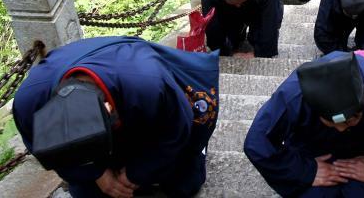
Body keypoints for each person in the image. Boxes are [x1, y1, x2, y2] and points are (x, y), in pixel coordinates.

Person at [13, 36, 219, 198]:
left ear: (109, 109)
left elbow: (176, 130)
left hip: (144, 114)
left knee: (186, 184)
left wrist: (134, 175)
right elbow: (50, 152)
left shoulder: (148, 84)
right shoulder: (29, 102)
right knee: (87, 193)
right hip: (93, 144)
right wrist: (97, 174)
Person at [243, 52, 364, 197]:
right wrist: (305, 171)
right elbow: (257, 143)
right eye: (331, 122)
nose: (342, 128)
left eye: (351, 120)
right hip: (313, 149)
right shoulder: (294, 94)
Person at [201, 0, 283, 58]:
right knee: (233, 38)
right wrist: (227, 53)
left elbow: (269, 24)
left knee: (259, 36)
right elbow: (212, 27)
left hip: (259, 2)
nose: (238, 6)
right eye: (234, 3)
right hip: (226, 9)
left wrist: (260, 54)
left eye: (241, 1)